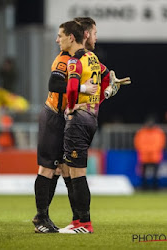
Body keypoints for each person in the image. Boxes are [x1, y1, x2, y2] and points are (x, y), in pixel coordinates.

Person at [32, 21, 99, 233]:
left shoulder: (84, 59)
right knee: (48, 168)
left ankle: (77, 220)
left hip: (67, 117)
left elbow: (102, 80)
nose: (56, 39)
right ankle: (41, 217)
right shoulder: (64, 59)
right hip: (54, 115)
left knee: (66, 169)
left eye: (59, 35)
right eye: (94, 33)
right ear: (84, 34)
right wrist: (83, 88)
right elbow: (54, 84)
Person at [60, 20, 112, 234]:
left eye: (61, 35)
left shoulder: (75, 60)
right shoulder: (93, 58)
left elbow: (72, 89)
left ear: (72, 37)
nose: (59, 39)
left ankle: (84, 223)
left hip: (79, 120)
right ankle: (77, 221)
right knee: (71, 170)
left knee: (77, 172)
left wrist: (71, 107)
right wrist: (99, 99)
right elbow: (107, 78)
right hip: (91, 118)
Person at [134, 116, 166, 190]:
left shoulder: (158, 132)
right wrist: (146, 150)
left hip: (155, 156)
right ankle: (144, 187)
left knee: (156, 174)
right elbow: (138, 143)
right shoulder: (141, 132)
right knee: (143, 173)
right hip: (144, 156)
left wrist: (151, 150)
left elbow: (161, 143)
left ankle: (155, 187)